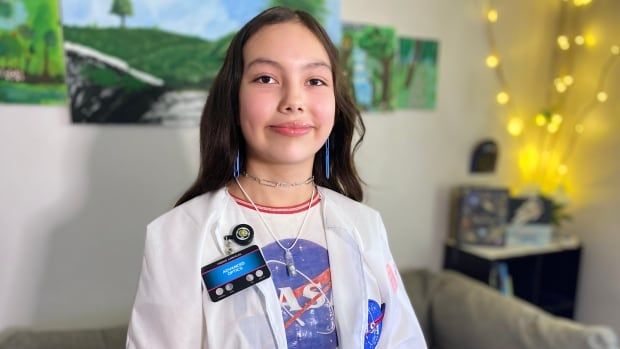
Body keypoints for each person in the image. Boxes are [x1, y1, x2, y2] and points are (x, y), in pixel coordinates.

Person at [127, 6, 426, 349]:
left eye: (314, 80)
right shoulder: (178, 234)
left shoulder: (365, 225)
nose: (294, 100)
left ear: (334, 101)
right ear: (233, 97)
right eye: (266, 78)